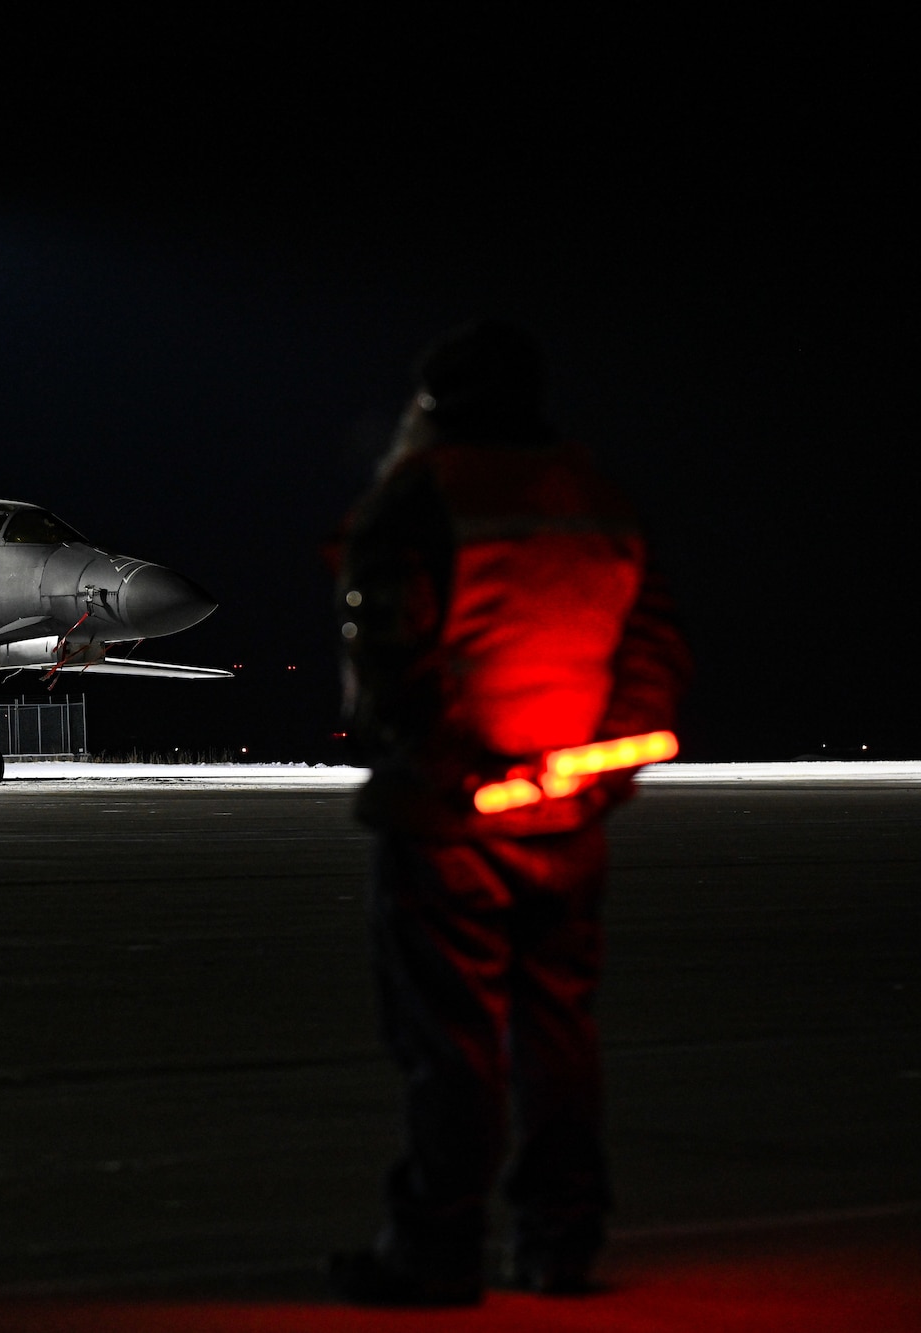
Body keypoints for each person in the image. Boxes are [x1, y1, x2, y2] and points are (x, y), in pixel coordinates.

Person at [327, 322, 691, 1305]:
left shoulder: (421, 491)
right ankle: (557, 1242)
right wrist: (592, 774)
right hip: (567, 822)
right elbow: (651, 649)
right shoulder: (596, 495)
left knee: (450, 1042)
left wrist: (452, 767)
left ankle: (433, 1249)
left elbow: (388, 656)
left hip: (447, 825)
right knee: (557, 1034)